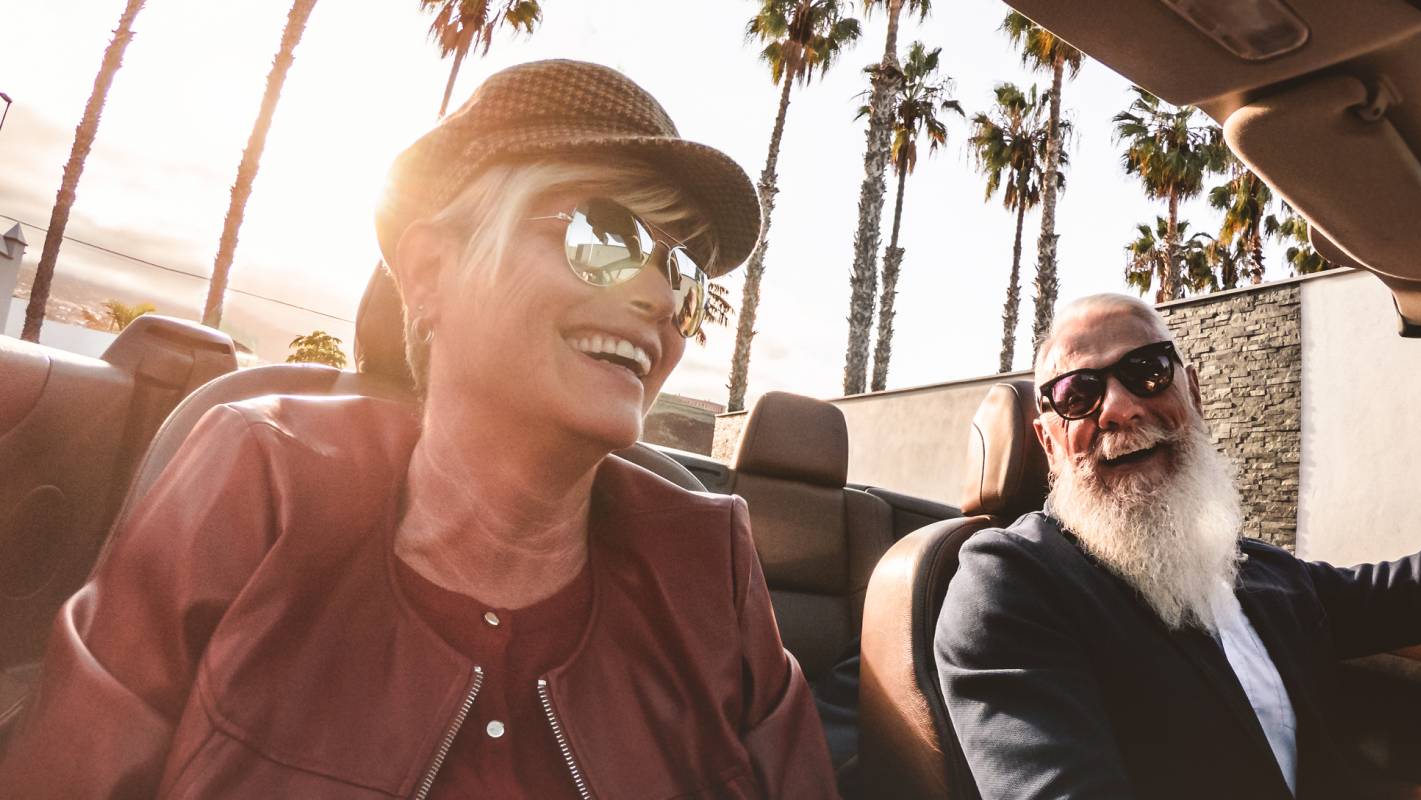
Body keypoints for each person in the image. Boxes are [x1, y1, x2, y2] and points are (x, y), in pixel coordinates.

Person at [0, 60, 836, 798]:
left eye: (680, 272)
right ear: (432, 270)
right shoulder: (254, 481)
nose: (657, 299)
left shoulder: (708, 567)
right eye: (603, 235)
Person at [935, 293, 1421, 799]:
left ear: (1192, 394)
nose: (1119, 407)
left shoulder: (1255, 573)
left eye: (1146, 371)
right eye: (1077, 394)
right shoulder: (1009, 585)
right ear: (1048, 439)